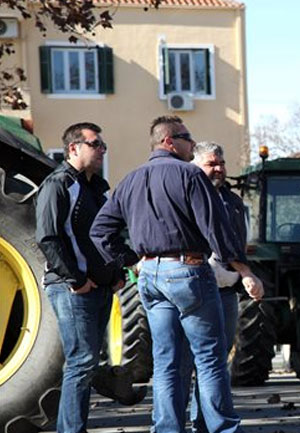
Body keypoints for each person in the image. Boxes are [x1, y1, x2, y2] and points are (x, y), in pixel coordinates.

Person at [89, 116, 263, 433]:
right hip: (189, 272)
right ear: (170, 141)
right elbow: (217, 230)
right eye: (187, 138)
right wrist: (245, 270)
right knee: (210, 359)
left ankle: (167, 428)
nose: (192, 144)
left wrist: (133, 261)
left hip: (150, 276)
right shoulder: (189, 176)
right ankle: (221, 428)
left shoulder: (130, 180)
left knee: (166, 361)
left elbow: (100, 232)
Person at [35, 122, 145, 433]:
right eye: (96, 144)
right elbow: (48, 238)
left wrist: (121, 270)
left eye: (102, 145)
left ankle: (97, 400)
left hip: (100, 288)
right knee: (81, 362)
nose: (103, 150)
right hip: (73, 290)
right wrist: (75, 280)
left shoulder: (97, 188)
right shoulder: (57, 185)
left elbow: (105, 237)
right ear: (73, 148)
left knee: (85, 362)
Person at [184, 141, 248, 432]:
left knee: (216, 362)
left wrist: (244, 273)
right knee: (191, 361)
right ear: (196, 164)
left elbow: (238, 244)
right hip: (193, 286)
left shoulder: (233, 202)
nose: (219, 169)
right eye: (212, 164)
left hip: (226, 291)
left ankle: (203, 423)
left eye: (221, 163)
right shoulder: (185, 194)